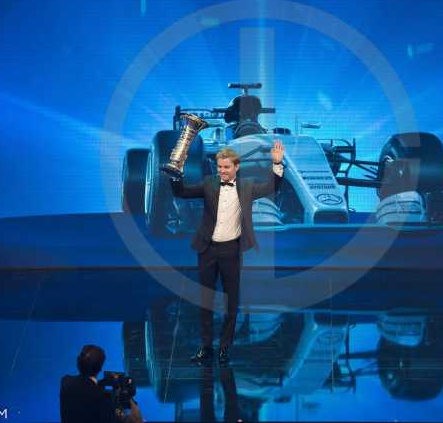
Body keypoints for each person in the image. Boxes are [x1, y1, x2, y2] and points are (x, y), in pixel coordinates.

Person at [170, 142, 285, 365]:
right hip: (207, 250)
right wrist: (176, 175)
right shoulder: (208, 184)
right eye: (219, 167)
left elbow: (272, 186)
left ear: (237, 167)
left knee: (232, 302)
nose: (221, 171)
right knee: (205, 300)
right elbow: (181, 192)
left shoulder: (248, 186)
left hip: (231, 250)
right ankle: (206, 347)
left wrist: (277, 163)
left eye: (226, 167)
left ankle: (224, 348)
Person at [60, 345, 143, 423]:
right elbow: (137, 420)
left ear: (78, 364)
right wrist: (128, 395)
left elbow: (85, 389)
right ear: (100, 368)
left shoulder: (66, 382)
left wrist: (99, 384)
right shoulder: (102, 399)